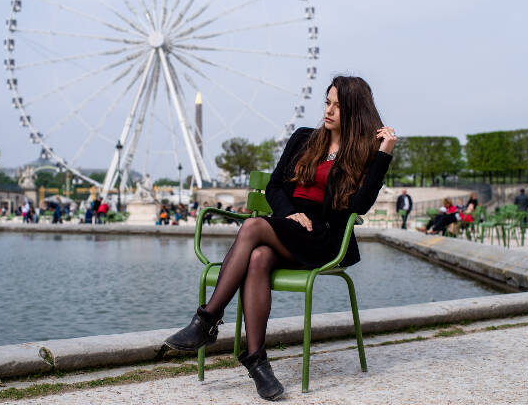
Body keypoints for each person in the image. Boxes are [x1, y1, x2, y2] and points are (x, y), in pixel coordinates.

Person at [164, 76, 396, 400]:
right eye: (327, 102)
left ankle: (207, 320)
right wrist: (289, 214)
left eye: (337, 106)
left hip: (323, 237)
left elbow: (359, 207)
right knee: (258, 257)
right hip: (286, 225)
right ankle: (257, 360)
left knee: (252, 227)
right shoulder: (304, 138)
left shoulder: (363, 154)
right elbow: (273, 187)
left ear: (355, 111)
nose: (328, 110)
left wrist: (384, 154)